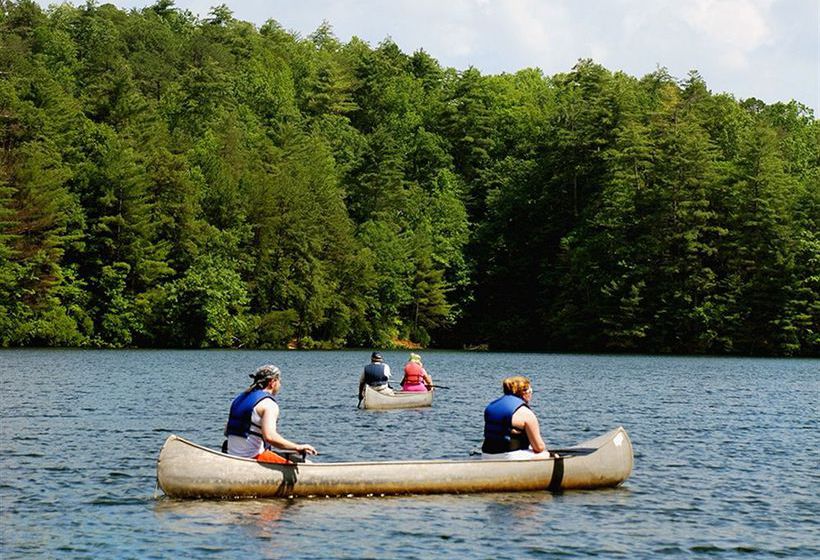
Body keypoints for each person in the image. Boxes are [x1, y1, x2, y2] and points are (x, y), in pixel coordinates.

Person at [224, 364, 317, 463]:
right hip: (252, 458)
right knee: (307, 464)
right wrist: (297, 447)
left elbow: (226, 431)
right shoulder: (268, 404)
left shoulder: (239, 399)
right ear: (272, 382)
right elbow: (270, 437)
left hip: (231, 455)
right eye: (279, 381)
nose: (280, 385)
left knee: (286, 456)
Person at [481, 375, 551, 460]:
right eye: (530, 390)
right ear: (524, 392)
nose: (531, 392)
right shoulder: (525, 413)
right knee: (545, 454)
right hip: (509, 457)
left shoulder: (490, 406)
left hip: (486, 455)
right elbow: (539, 447)